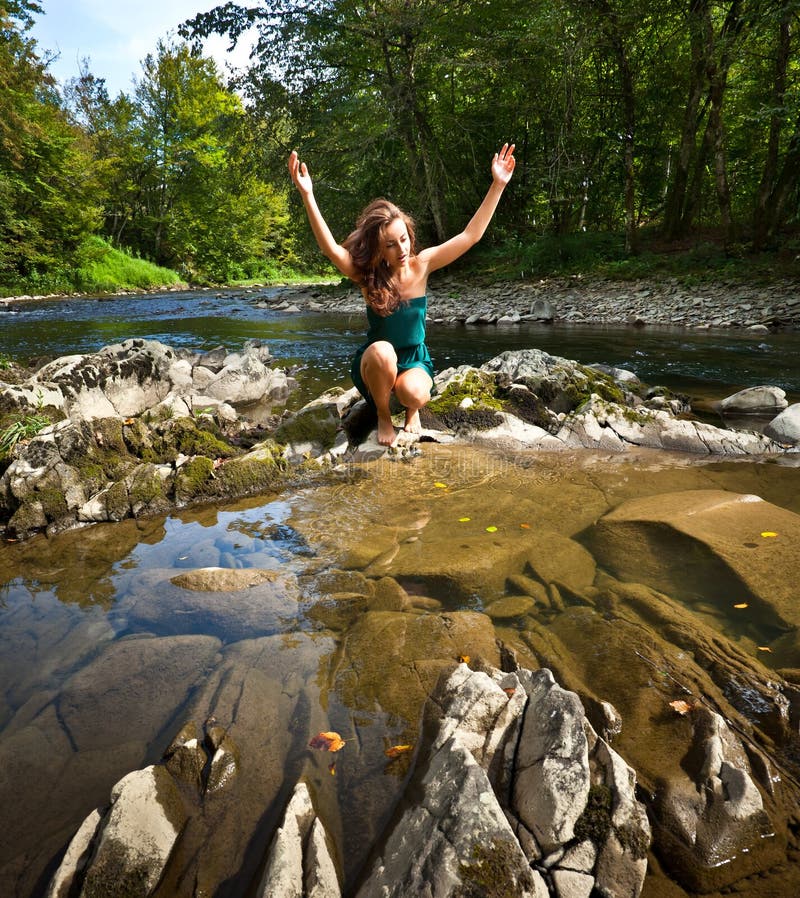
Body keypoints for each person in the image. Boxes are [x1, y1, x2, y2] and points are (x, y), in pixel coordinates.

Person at [288, 143, 516, 446]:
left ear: (410, 234)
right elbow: (331, 249)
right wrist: (308, 195)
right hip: (377, 361)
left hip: (414, 359)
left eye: (404, 239)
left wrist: (498, 184)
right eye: (391, 245)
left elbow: (469, 236)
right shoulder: (367, 275)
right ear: (379, 250)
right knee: (383, 351)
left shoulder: (422, 265)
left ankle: (411, 411)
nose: (402, 249)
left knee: (416, 394)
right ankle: (383, 415)